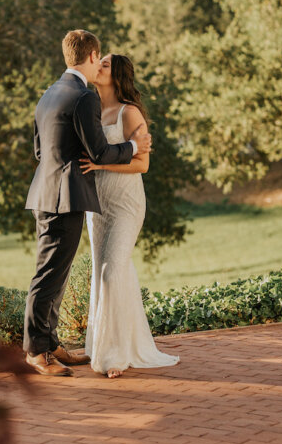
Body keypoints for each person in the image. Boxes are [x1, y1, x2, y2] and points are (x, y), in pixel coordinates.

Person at [23, 30, 151, 377]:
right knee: (49, 274)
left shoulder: (50, 92)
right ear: (92, 56)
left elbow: (39, 150)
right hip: (63, 196)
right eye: (101, 58)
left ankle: (50, 344)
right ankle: (37, 352)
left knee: (56, 272)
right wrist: (134, 148)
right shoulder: (83, 96)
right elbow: (98, 152)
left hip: (48, 192)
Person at [78, 54, 179, 378]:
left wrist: (101, 165)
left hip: (125, 204)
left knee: (112, 271)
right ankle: (101, 345)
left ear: (117, 74)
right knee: (103, 272)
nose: (98, 66)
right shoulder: (92, 108)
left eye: (105, 64)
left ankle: (116, 356)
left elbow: (142, 165)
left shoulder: (129, 112)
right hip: (97, 205)